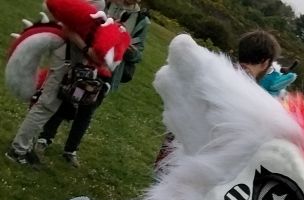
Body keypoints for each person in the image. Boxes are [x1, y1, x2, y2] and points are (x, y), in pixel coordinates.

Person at [35, 0, 150, 168]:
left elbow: (138, 55)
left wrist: (128, 50)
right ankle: (45, 138)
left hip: (106, 72)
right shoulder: (106, 3)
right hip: (83, 60)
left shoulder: (141, 20)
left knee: (87, 110)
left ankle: (70, 150)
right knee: (66, 97)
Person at [153, 30, 281, 175]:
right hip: (197, 167)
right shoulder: (250, 98)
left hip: (172, 150)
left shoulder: (211, 70)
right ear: (265, 63)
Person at [5, 0, 107, 166]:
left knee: (48, 105)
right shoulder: (95, 2)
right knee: (46, 105)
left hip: (69, 55)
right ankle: (18, 150)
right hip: (67, 55)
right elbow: (69, 27)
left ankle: (25, 145)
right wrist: (87, 49)